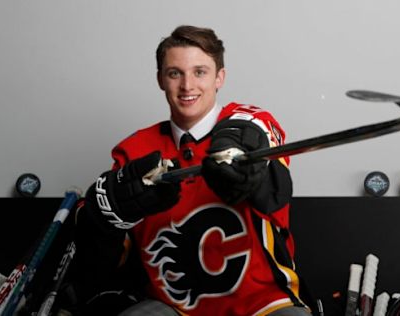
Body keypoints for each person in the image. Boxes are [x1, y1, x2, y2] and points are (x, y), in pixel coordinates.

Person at [74, 25, 314, 316]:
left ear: (219, 78)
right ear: (161, 80)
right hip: (172, 307)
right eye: (175, 73)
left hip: (263, 304)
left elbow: (265, 157)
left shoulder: (252, 122)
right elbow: (103, 258)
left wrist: (240, 156)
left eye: (200, 72)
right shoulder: (134, 150)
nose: (188, 85)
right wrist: (104, 216)